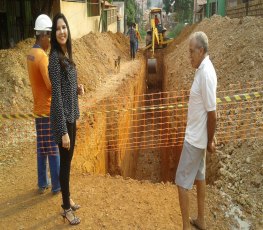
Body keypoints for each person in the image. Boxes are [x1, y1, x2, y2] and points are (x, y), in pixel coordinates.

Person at [175, 31, 217, 230]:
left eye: (191, 51)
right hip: (199, 137)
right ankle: (200, 219)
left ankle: (185, 227)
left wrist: (210, 141)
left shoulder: (206, 74)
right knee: (200, 178)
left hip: (195, 140)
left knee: (182, 183)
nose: (189, 55)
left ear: (201, 51)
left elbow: (212, 113)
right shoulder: (202, 69)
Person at [49, 13, 84, 225]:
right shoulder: (54, 58)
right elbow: (57, 97)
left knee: (68, 162)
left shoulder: (66, 54)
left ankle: (67, 197)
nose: (62, 31)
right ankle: (65, 209)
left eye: (64, 27)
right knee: (64, 164)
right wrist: (62, 131)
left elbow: (67, 87)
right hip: (64, 119)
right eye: (58, 29)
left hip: (72, 116)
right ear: (54, 34)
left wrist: (77, 89)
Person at [27, 14, 61, 195]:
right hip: (47, 110)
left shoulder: (30, 55)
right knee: (54, 148)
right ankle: (56, 186)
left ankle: (42, 183)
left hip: (37, 111)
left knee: (42, 148)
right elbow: (50, 86)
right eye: (49, 35)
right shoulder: (41, 57)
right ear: (43, 35)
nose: (50, 40)